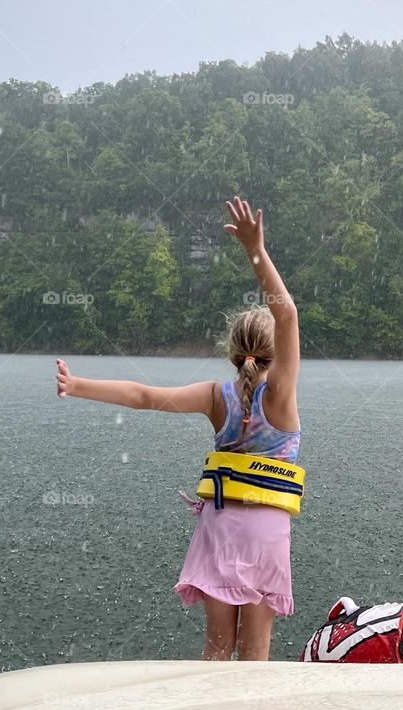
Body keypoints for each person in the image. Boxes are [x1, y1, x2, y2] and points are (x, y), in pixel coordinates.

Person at [55, 196, 301, 661]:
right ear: (274, 355)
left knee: (215, 654)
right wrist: (255, 250)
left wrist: (78, 384)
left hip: (220, 526)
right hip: (264, 533)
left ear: (233, 351)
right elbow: (286, 313)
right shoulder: (281, 400)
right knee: (255, 659)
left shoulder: (214, 396)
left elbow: (144, 397)